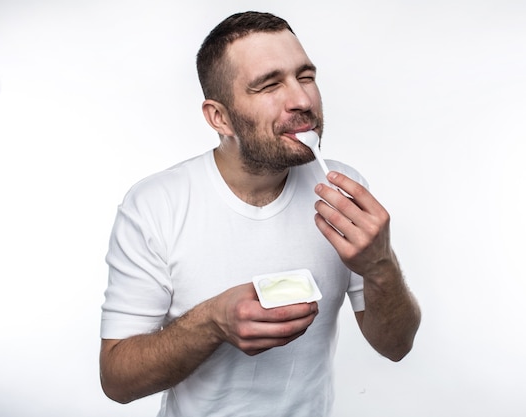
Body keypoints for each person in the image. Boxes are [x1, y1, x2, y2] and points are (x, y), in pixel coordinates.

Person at [99, 11, 421, 417]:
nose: (302, 100)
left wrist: (379, 266)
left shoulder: (344, 189)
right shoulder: (155, 206)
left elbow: (396, 346)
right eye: (269, 85)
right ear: (220, 117)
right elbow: (116, 380)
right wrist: (213, 321)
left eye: (305, 77)